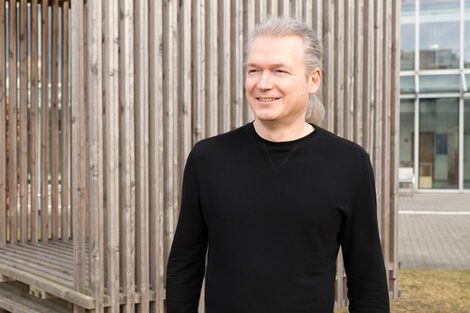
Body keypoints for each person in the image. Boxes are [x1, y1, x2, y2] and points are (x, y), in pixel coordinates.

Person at [166, 17, 390, 313]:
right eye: (253, 70)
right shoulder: (208, 158)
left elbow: (367, 278)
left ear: (313, 80)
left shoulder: (349, 164)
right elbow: (184, 263)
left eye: (279, 71)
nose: (263, 83)